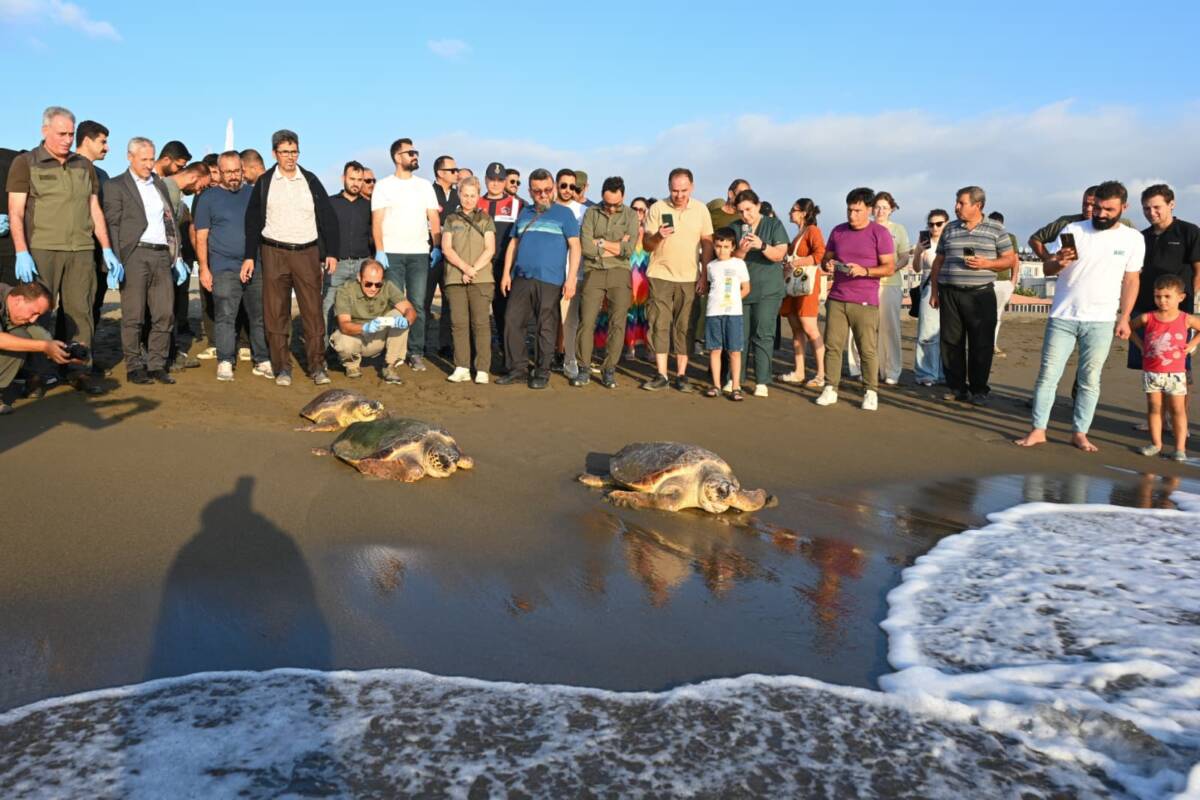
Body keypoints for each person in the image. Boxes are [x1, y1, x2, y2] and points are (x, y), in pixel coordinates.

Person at [1014, 180, 1143, 453]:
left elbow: (1131, 280)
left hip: (1102, 319)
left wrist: (1125, 317)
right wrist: (1057, 261)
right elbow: (1049, 268)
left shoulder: (1133, 238)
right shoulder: (1073, 229)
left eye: (1108, 209)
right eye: (1097, 208)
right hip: (1063, 315)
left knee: (1090, 379)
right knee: (1048, 375)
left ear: (1124, 207)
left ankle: (1080, 433)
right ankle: (1038, 430)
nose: (1101, 214)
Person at [6, 106, 120, 395]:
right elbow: (15, 212)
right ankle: (36, 374)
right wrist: (22, 251)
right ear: (45, 131)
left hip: (81, 250)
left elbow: (94, 209)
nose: (68, 139)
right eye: (61, 133)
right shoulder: (25, 163)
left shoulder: (84, 166)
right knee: (39, 315)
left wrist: (106, 249)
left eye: (71, 133)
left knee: (80, 312)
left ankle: (78, 369)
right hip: (42, 250)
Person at [242, 129, 340, 387]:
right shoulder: (264, 182)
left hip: (307, 253)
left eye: (294, 151)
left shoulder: (310, 180)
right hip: (273, 252)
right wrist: (249, 256)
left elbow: (328, 217)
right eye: (285, 152)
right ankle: (282, 368)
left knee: (313, 312)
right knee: (276, 313)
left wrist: (331, 252)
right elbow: (252, 222)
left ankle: (317, 366)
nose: (290, 157)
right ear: (274, 153)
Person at [104, 137, 189, 385]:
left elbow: (170, 223)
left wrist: (177, 257)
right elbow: (113, 223)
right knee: (134, 315)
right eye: (144, 159)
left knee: (164, 314)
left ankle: (156, 365)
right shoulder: (116, 185)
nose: (149, 164)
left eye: (152, 158)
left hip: (162, 255)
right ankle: (134, 366)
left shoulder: (159, 185)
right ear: (129, 157)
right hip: (134, 255)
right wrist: (114, 257)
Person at [928, 186, 1016, 405]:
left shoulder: (996, 229)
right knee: (950, 342)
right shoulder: (950, 229)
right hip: (950, 293)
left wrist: (987, 264)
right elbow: (938, 261)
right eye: (956, 202)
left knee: (981, 344)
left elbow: (1009, 259)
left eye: (961, 203)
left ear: (978, 205)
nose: (956, 207)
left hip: (981, 295)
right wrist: (934, 291)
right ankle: (957, 388)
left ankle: (979, 390)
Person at [497, 168, 580, 389]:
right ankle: (518, 368)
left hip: (551, 279)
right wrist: (506, 273)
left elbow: (575, 246)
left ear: (552, 188)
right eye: (537, 191)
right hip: (522, 277)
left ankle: (542, 371)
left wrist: (571, 279)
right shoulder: (524, 213)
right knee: (512, 321)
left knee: (546, 325)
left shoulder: (565, 215)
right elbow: (513, 244)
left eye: (547, 190)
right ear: (530, 191)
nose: (542, 194)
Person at [814, 187, 896, 411]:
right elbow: (825, 260)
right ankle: (830, 387)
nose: (852, 215)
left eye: (858, 210)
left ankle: (871, 391)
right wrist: (828, 264)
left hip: (865, 299)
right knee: (832, 345)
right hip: (837, 297)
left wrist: (865, 271)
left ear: (869, 209)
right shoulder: (838, 231)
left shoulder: (879, 233)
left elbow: (889, 267)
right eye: (849, 210)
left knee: (866, 348)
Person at [195, 151, 271, 382]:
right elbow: (201, 237)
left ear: (242, 170)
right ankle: (225, 360)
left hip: (255, 265)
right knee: (226, 315)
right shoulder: (208, 198)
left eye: (237, 171)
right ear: (219, 172)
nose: (233, 176)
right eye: (228, 172)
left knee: (258, 315)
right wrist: (204, 268)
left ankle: (262, 359)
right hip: (223, 267)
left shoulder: (254, 193)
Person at [642, 168, 714, 392]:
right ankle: (661, 374)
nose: (679, 195)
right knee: (659, 324)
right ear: (668, 188)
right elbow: (646, 245)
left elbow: (707, 243)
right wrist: (658, 236)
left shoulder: (701, 209)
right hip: (660, 274)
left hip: (690, 277)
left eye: (683, 190)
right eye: (675, 190)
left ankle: (681, 375)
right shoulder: (657, 208)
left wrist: (704, 275)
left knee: (685, 325)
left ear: (691, 187)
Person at [371, 137, 440, 372]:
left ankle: (415, 351)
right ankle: (393, 351)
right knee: (394, 303)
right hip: (392, 252)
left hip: (419, 252)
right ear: (397, 157)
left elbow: (434, 218)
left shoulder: (424, 186)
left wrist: (437, 246)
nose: (415, 156)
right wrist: (380, 250)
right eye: (410, 152)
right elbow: (377, 220)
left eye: (415, 152)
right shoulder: (383, 185)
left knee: (418, 304)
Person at [572, 176, 639, 389]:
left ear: (623, 197)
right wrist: (615, 246)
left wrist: (600, 242)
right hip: (594, 272)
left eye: (615, 204)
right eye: (607, 204)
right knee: (587, 321)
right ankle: (583, 369)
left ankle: (609, 369)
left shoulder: (630, 215)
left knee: (617, 324)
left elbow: (628, 250)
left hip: (620, 274)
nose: (610, 209)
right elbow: (587, 248)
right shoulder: (591, 213)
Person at [1130, 275, 1200, 460]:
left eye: (1167, 296)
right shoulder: (1148, 317)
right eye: (1158, 296)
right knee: (1154, 408)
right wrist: (1141, 346)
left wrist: (1191, 344)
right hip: (1152, 372)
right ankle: (1156, 444)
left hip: (1176, 373)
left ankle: (1179, 449)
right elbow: (1128, 328)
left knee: (1178, 409)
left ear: (1181, 297)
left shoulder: (1186, 318)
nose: (1162, 300)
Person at [1131, 185, 1200, 372]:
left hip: (1177, 312)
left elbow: (1198, 271)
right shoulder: (1141, 237)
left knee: (1179, 368)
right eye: (1146, 208)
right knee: (1148, 365)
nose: (1151, 212)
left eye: (1156, 207)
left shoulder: (1188, 231)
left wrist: (1191, 303)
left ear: (1171, 204)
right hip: (1144, 308)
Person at [730, 189, 789, 397]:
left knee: (763, 333)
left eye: (749, 209)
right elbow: (731, 258)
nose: (745, 215)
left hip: (768, 289)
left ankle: (762, 380)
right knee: (739, 335)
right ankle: (736, 378)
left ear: (758, 205)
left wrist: (762, 245)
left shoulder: (774, 225)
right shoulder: (735, 228)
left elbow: (780, 254)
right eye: (741, 211)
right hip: (742, 289)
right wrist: (743, 250)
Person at [440, 175, 496, 383]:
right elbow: (446, 248)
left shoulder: (485, 219)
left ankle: (482, 369)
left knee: (481, 323)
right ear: (459, 195)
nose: (469, 199)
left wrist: (473, 269)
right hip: (455, 278)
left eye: (473, 195)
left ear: (478, 196)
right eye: (465, 195)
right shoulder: (451, 219)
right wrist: (464, 268)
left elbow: (490, 248)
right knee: (459, 323)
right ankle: (461, 366)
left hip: (481, 278)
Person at [853, 191, 909, 385]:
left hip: (890, 284)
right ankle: (869, 369)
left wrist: (892, 268)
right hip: (867, 284)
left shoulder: (898, 229)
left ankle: (892, 370)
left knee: (890, 328)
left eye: (885, 207)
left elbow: (904, 256)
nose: (880, 211)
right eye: (877, 207)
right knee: (867, 329)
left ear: (891, 209)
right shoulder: (864, 227)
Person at [331, 260, 414, 382]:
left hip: (378, 337)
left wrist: (407, 321)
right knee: (341, 339)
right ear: (359, 277)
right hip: (356, 336)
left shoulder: (388, 286)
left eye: (378, 284)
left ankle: (390, 365)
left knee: (398, 315)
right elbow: (344, 325)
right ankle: (352, 366)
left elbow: (409, 309)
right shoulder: (345, 291)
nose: (373, 288)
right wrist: (365, 327)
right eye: (368, 284)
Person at [0, 282, 73, 414]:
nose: (34, 319)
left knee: (22, 338)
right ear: (19, 300)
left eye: (38, 315)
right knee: (13, 341)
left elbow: (41, 337)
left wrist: (67, 353)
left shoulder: (15, 305)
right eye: (34, 313)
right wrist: (44, 346)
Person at [777, 198, 826, 387]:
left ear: (803, 213)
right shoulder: (800, 233)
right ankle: (799, 371)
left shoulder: (812, 231)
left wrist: (795, 262)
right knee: (796, 327)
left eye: (793, 209)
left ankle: (821, 373)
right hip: (795, 285)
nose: (790, 212)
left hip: (806, 285)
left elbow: (819, 254)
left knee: (809, 327)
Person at [325, 160, 374, 341]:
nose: (356, 183)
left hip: (362, 263)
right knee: (328, 307)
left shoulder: (368, 206)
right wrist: (322, 258)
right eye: (352, 178)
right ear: (343, 178)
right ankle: (323, 353)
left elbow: (373, 233)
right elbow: (322, 232)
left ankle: (353, 352)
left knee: (357, 309)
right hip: (336, 264)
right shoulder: (330, 203)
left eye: (360, 179)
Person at [478, 161, 523, 359]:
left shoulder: (518, 205)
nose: (495, 184)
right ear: (485, 180)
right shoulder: (476, 203)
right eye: (491, 179)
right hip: (481, 266)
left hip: (507, 266)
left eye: (499, 180)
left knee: (506, 313)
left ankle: (509, 356)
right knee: (482, 314)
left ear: (505, 181)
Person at [703, 227, 751, 400]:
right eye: (718, 246)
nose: (721, 250)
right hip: (713, 312)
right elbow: (711, 286)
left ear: (732, 247)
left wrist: (734, 301)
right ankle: (716, 385)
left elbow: (746, 288)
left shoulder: (739, 263)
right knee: (715, 350)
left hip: (733, 313)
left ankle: (736, 386)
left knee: (735, 351)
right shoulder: (710, 266)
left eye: (725, 246)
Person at [75, 120, 112, 334]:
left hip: (99, 251)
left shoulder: (102, 175)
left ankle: (85, 351)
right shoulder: (67, 167)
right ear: (87, 140)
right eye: (103, 141)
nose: (106, 147)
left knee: (95, 302)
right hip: (76, 247)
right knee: (75, 305)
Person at [426, 153, 461, 359]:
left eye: (457, 170)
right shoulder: (428, 192)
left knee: (449, 301)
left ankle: (445, 344)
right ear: (440, 173)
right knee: (424, 301)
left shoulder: (458, 196)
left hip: (453, 257)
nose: (456, 173)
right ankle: (418, 344)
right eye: (452, 170)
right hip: (431, 254)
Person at [554, 168, 587, 377]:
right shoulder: (547, 208)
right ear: (556, 185)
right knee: (547, 318)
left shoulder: (584, 211)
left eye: (572, 187)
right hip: (550, 272)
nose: (567, 190)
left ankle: (570, 360)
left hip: (574, 274)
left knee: (570, 320)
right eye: (563, 185)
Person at [912, 209, 950, 386]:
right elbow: (917, 268)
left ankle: (943, 373)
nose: (934, 227)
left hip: (949, 288)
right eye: (931, 224)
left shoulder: (951, 241)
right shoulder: (925, 241)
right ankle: (926, 372)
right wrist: (919, 252)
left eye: (939, 224)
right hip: (928, 289)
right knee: (927, 333)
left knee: (947, 333)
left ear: (946, 223)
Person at [987, 210, 1020, 357]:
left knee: (997, 315)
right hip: (986, 280)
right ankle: (984, 344)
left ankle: (992, 345)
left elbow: (1015, 259)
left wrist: (1013, 280)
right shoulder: (984, 237)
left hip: (1002, 281)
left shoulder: (1010, 237)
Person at [624, 197, 652, 359]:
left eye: (641, 209)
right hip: (629, 276)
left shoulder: (651, 230)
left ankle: (650, 348)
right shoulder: (625, 230)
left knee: (648, 315)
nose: (638, 213)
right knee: (631, 313)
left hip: (647, 276)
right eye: (634, 209)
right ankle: (630, 348)